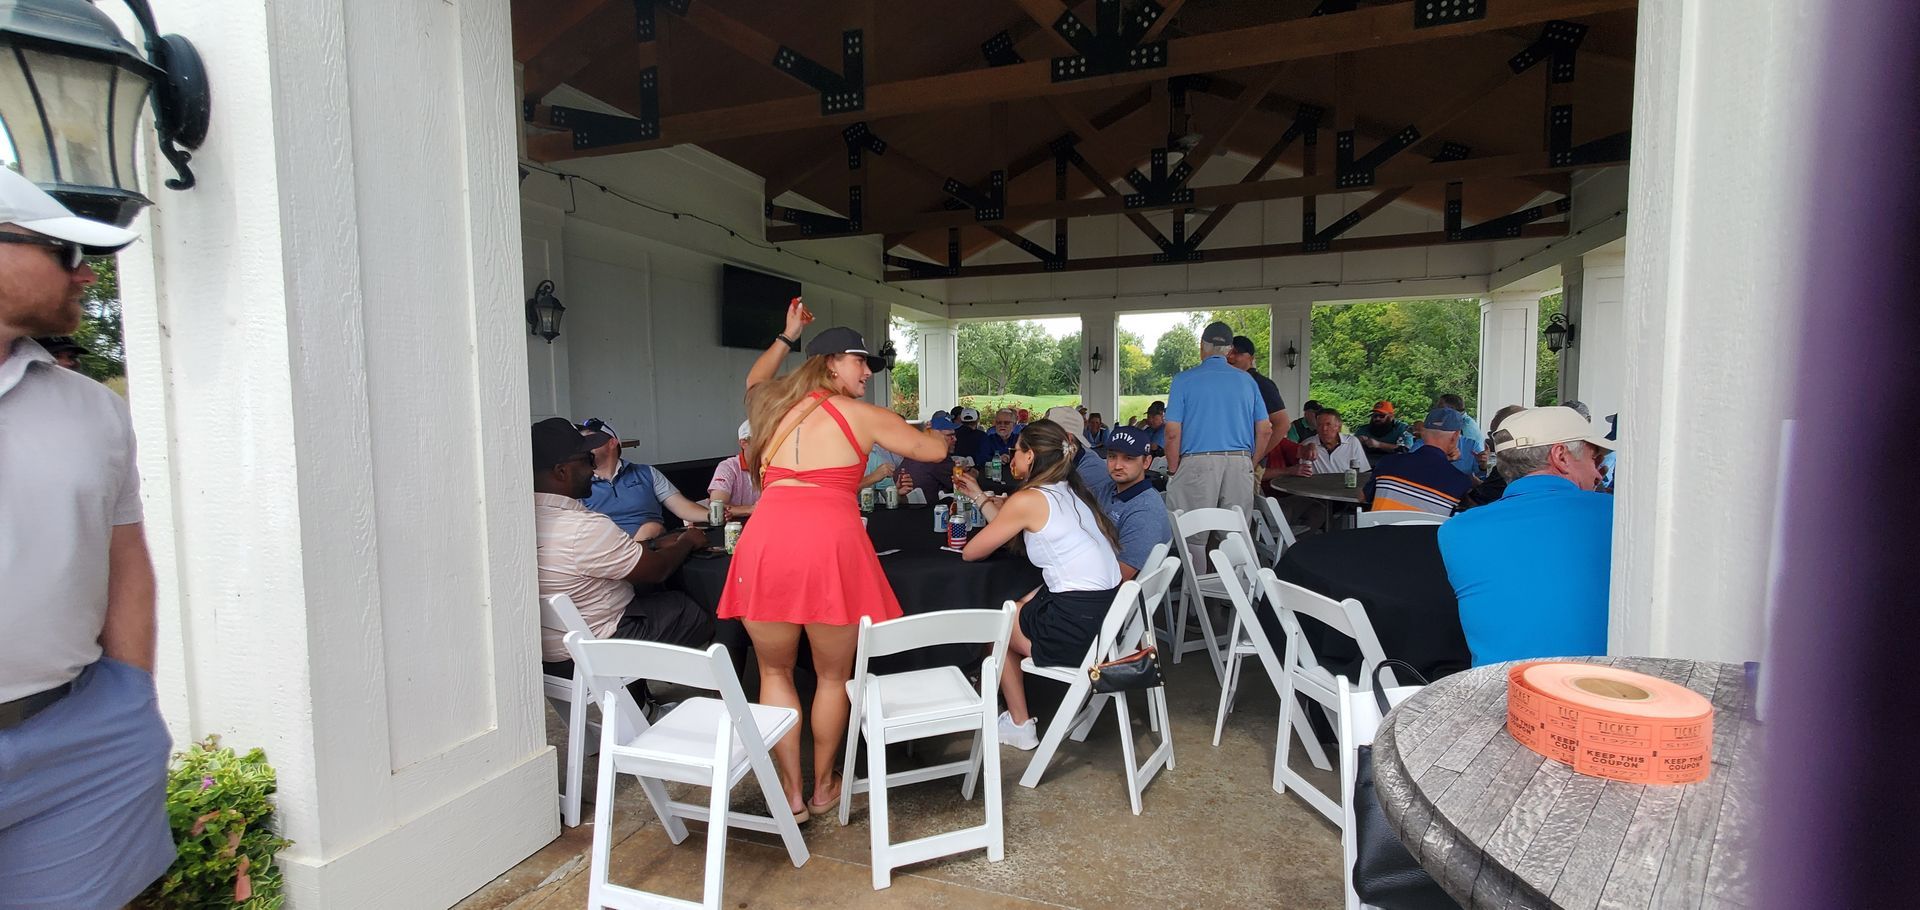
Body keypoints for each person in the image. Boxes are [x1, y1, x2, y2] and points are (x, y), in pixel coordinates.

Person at [0, 168, 174, 906]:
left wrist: (129, 690)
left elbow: (124, 555)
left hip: (78, 733)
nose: (86, 272)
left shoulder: (92, 411)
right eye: (64, 251)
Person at [719, 300, 950, 821]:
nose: (868, 371)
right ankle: (823, 787)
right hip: (831, 548)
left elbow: (754, 379)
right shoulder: (864, 416)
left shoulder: (770, 405)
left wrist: (787, 333)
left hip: (766, 544)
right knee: (830, 676)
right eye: (859, 361)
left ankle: (791, 794)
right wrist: (938, 433)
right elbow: (932, 452)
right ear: (829, 364)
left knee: (774, 671)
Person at [531, 418, 733, 707]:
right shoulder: (583, 527)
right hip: (602, 647)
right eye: (587, 460)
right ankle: (725, 695)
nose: (592, 467)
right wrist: (687, 541)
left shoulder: (524, 520)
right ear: (561, 472)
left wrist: (650, 543)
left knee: (643, 601)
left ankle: (639, 708)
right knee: (706, 604)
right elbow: (657, 570)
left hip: (553, 651)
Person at [955, 420, 1122, 750]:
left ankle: (1019, 724)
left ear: (1030, 456)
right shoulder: (1071, 489)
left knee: (994, 624)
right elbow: (1009, 525)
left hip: (1080, 629)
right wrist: (978, 495)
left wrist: (985, 503)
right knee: (1018, 602)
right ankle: (1004, 700)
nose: (1012, 456)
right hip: (1109, 620)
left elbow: (972, 552)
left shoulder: (1030, 498)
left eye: (1017, 450)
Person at [1436, 406, 1616, 665]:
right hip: (1600, 691)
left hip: (1499, 693)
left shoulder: (1455, 531)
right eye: (1594, 459)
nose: (1599, 473)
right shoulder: (1618, 518)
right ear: (1561, 456)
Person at [579, 417, 712, 539]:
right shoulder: (577, 483)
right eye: (581, 441)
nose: (583, 446)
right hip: (602, 550)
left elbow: (682, 507)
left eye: (590, 439)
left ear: (612, 442)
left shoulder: (646, 473)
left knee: (651, 528)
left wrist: (713, 515)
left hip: (650, 547)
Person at [1093, 426, 1175, 580]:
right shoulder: (1108, 489)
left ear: (1146, 462)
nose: (1117, 465)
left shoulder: (1145, 511)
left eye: (1128, 458)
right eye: (1112, 456)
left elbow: (1119, 576)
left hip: (1116, 593)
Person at [1366, 408, 1474, 516]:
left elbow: (1363, 497)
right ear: (1455, 436)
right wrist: (1445, 461)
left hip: (1381, 532)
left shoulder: (1387, 463)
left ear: (1423, 433)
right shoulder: (1459, 481)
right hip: (1426, 533)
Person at [1228, 334, 1290, 462]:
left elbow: (1282, 424)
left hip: (1246, 461)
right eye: (1228, 353)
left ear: (1251, 358)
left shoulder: (1261, 384)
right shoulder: (1228, 383)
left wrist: (1255, 458)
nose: (1230, 357)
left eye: (1237, 353)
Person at [1459, 404, 1526, 509]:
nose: (1491, 439)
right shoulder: (1538, 459)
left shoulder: (1510, 465)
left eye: (1493, 434)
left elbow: (1473, 503)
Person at [1043, 405, 1112, 490]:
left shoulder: (1089, 472)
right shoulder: (1073, 457)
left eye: (1046, 436)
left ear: (1068, 439)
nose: (1042, 442)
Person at [895, 412, 962, 499]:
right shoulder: (937, 456)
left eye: (954, 435)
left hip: (909, 506)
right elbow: (962, 484)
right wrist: (972, 472)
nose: (955, 439)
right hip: (931, 509)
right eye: (950, 436)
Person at [708, 419, 761, 517]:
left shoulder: (775, 466)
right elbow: (717, 507)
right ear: (744, 443)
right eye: (761, 441)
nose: (768, 446)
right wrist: (752, 509)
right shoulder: (728, 467)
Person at [1355, 400, 1414, 465]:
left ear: (1391, 416)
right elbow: (1350, 447)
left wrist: (1379, 445)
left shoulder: (1403, 429)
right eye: (1374, 416)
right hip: (1366, 465)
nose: (1377, 418)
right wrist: (1357, 441)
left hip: (1394, 465)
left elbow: (1406, 449)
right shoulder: (1363, 430)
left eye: (1381, 416)